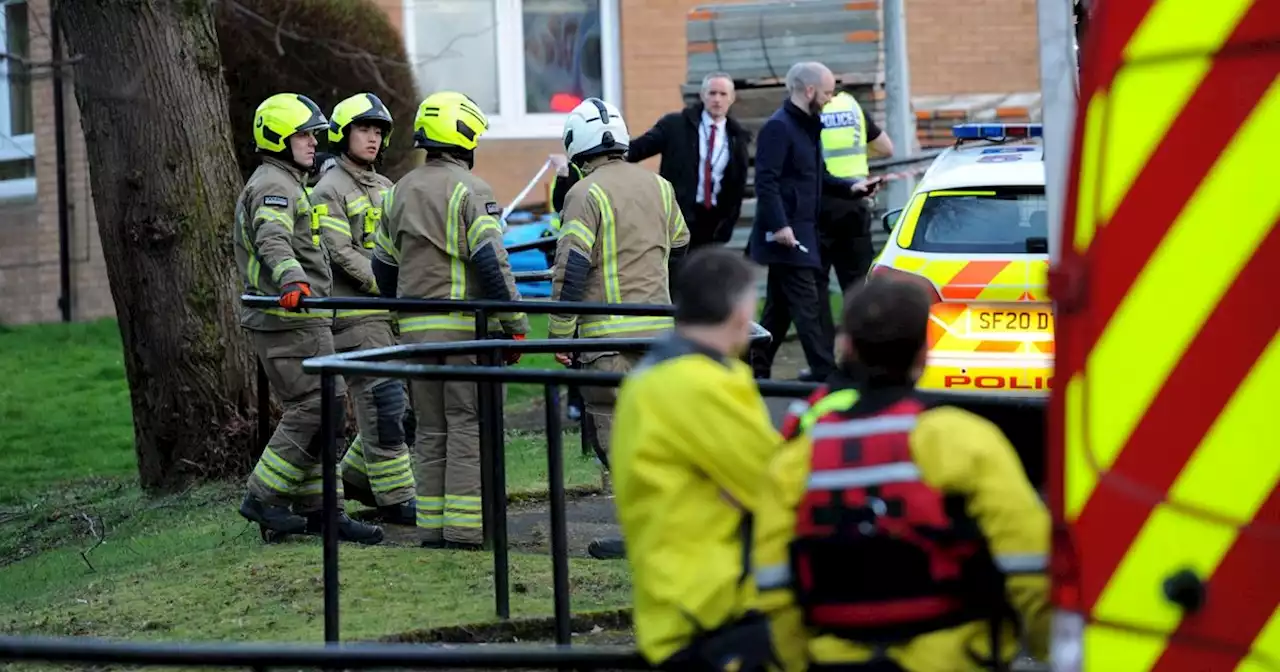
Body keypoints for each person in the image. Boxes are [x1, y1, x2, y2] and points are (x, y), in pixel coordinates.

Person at [753, 276, 1050, 672]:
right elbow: (1030, 566)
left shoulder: (796, 461)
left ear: (849, 349)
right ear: (924, 354)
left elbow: (773, 590)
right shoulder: (966, 442)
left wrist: (798, 660)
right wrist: (1053, 649)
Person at [371, 91, 530, 550]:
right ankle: (464, 530)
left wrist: (400, 314)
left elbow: (383, 266)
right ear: (462, 139)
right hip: (465, 330)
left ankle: (432, 528)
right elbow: (492, 263)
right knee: (466, 425)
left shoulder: (399, 190)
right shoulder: (472, 191)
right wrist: (515, 324)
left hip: (416, 334)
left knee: (431, 428)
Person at [610, 247, 782, 670]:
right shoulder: (700, 385)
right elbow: (777, 485)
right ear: (742, 313)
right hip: (713, 613)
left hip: (674, 607)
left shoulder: (653, 376)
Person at [234, 92, 384, 545]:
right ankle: (263, 497)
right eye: (303, 135)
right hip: (289, 319)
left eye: (314, 135)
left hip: (301, 319)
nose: (313, 143)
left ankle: (323, 512)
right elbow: (273, 240)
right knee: (317, 406)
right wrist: (292, 283)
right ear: (278, 137)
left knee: (328, 410)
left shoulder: (285, 180)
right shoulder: (274, 186)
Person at [548, 97, 690, 557]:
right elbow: (681, 246)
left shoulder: (582, 194)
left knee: (618, 441)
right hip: (659, 334)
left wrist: (559, 333)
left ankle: (641, 534)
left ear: (577, 146)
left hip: (605, 341)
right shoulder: (659, 186)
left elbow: (571, 269)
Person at [310, 92, 415, 526]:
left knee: (402, 405)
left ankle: (356, 477)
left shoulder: (386, 187)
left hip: (386, 314)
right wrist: (387, 285)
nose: (372, 139)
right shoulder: (328, 188)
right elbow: (339, 251)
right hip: (354, 316)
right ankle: (395, 499)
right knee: (383, 401)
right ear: (342, 134)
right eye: (364, 129)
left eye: (378, 132)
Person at [749, 62, 875, 382]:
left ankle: (753, 368)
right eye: (828, 92)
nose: (831, 98)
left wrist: (851, 187)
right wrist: (779, 226)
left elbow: (818, 176)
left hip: (803, 230)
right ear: (809, 91)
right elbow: (766, 181)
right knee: (808, 307)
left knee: (777, 312)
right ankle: (826, 374)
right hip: (788, 236)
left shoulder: (809, 126)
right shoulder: (779, 127)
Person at [551, 73, 750, 253]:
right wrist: (586, 155)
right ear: (702, 95)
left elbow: (737, 186)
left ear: (731, 98)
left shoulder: (737, 137)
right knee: (675, 279)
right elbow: (636, 150)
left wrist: (727, 225)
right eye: (712, 93)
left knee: (704, 285)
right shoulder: (676, 125)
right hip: (678, 217)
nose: (717, 99)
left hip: (713, 223)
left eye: (723, 94)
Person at [816, 88, 894, 337]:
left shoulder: (809, 110)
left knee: (816, 288)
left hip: (820, 206)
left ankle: (825, 358)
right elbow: (886, 148)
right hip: (855, 205)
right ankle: (865, 350)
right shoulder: (852, 107)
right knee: (859, 286)